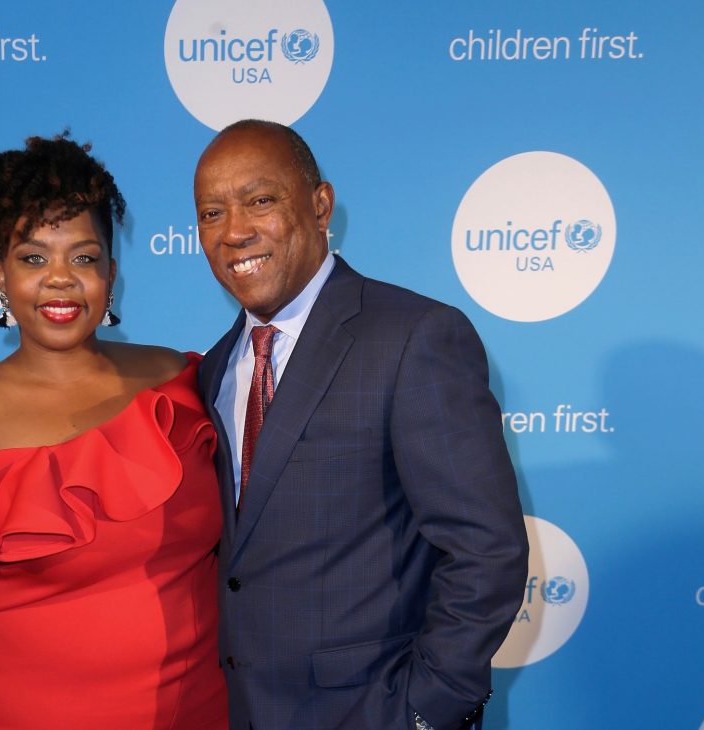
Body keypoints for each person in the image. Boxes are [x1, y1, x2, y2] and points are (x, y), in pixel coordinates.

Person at [0, 132, 227, 729]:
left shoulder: (179, 383)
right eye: (33, 258)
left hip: (199, 713)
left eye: (83, 258)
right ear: (1, 274)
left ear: (111, 273)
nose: (60, 278)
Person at [193, 119, 529, 730]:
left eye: (260, 201)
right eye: (212, 213)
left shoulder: (414, 336)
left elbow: (486, 550)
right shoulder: (216, 369)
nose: (234, 231)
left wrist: (424, 710)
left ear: (321, 205)